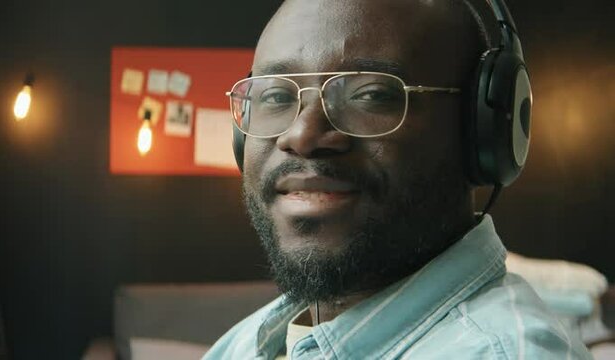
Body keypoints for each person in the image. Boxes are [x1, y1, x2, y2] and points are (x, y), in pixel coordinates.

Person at [205, 0, 591, 358]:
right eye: (274, 97)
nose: (302, 135)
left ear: (480, 130)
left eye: (370, 95)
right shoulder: (243, 344)